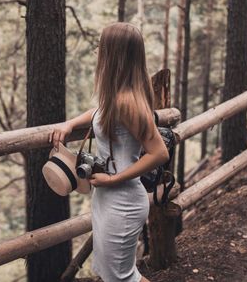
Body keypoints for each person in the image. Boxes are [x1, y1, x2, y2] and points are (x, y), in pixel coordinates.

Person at [49, 22, 169, 282]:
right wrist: (70, 123)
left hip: (122, 201)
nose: (97, 51)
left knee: (122, 277)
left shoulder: (128, 101)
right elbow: (100, 113)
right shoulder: (119, 95)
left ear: (114, 54)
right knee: (112, 274)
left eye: (102, 46)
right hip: (108, 197)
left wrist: (114, 179)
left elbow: (159, 153)